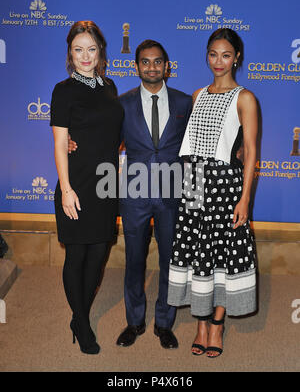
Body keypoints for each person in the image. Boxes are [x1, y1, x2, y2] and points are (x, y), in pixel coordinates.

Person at [69, 39, 192, 349]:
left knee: (169, 261)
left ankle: (164, 323)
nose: (151, 67)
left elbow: (197, 145)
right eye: (145, 62)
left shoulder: (183, 103)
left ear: (167, 66)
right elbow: (104, 140)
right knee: (134, 261)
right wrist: (73, 142)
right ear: (136, 66)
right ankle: (134, 321)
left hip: (172, 194)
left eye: (157, 61)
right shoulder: (121, 104)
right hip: (135, 194)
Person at [167, 28, 258, 358]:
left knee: (220, 254)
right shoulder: (197, 94)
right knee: (196, 254)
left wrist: (245, 198)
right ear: (207, 56)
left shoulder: (245, 98)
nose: (219, 61)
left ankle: (216, 326)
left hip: (225, 186)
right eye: (213, 54)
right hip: (193, 182)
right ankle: (200, 322)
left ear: (237, 58)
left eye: (226, 55)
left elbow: (249, 151)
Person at [50, 21, 124, 355]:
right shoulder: (63, 90)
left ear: (101, 52)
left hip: (106, 184)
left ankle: (79, 315)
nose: (85, 56)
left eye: (91, 49)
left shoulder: (110, 86)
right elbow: (60, 141)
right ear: (70, 52)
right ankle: (81, 322)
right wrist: (66, 189)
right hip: (76, 184)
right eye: (78, 49)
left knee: (98, 255)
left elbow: (112, 132)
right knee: (77, 254)